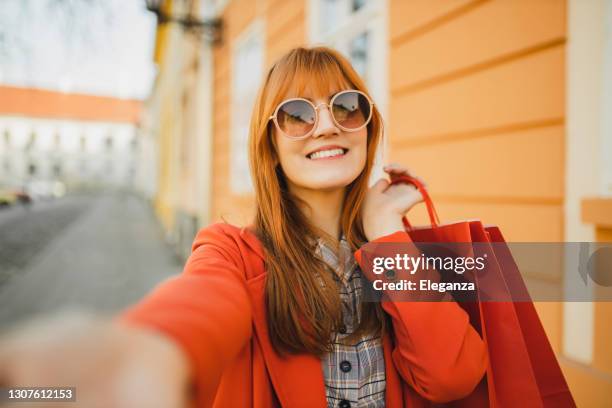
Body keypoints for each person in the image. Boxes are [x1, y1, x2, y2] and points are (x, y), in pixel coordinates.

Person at [0, 47, 486, 408]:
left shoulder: (394, 250)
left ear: (366, 128)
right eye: (296, 114)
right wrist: (151, 345)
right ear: (270, 146)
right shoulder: (231, 250)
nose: (325, 126)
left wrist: (385, 232)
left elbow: (453, 377)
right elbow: (203, 299)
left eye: (345, 106)